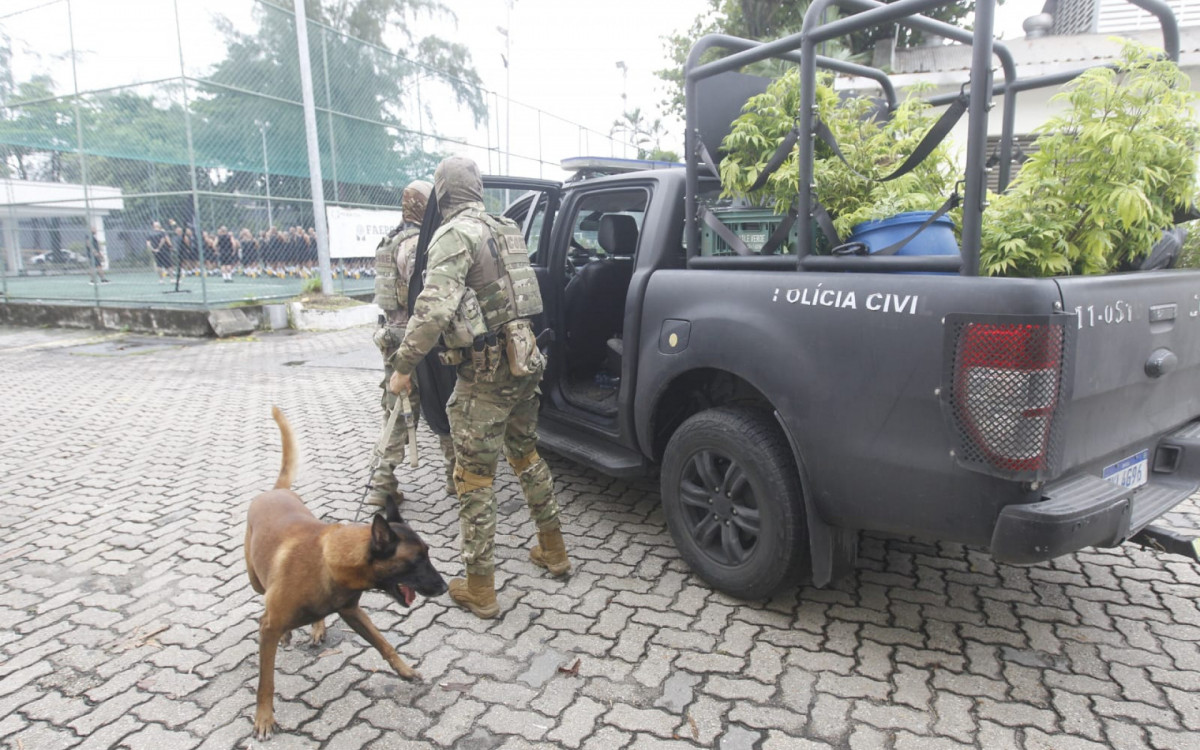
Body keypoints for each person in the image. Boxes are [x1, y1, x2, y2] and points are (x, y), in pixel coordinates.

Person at [388, 156, 569, 619]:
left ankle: (480, 588)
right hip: (524, 360)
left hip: (485, 376)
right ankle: (553, 550)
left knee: (473, 479)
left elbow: (431, 311)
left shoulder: (453, 234)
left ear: (443, 193)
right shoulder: (506, 226)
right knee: (527, 455)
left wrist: (404, 364)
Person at [369, 180, 456, 508]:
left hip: (391, 338)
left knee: (396, 410)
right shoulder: (421, 244)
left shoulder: (388, 243)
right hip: (421, 342)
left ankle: (382, 482)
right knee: (443, 405)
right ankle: (454, 476)